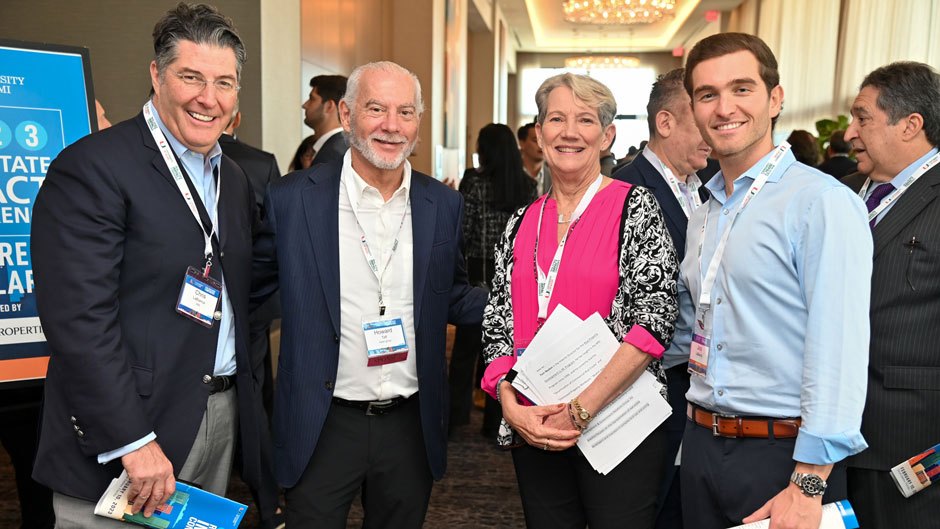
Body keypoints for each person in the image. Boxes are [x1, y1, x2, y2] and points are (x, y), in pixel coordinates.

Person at [30, 3, 261, 526]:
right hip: (128, 437)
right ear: (157, 76)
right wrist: (132, 441)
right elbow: (78, 323)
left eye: (224, 82)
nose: (209, 98)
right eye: (191, 77)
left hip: (213, 415)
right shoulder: (93, 168)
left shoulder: (235, 178)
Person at [251, 61, 487, 528]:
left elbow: (452, 293)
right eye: (375, 108)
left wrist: (523, 301)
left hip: (409, 421)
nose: (391, 126)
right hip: (322, 420)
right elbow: (250, 292)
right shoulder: (292, 199)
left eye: (405, 112)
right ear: (345, 114)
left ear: (418, 122)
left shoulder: (442, 204)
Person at [664, 32, 872, 529]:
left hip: (783, 458)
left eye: (742, 88)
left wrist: (807, 484)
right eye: (707, 94)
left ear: (775, 99)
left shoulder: (820, 203)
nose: (724, 107)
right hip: (700, 444)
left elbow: (838, 353)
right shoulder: (705, 210)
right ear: (693, 109)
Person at [481, 73, 679, 529]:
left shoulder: (637, 208)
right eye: (557, 119)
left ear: (607, 136)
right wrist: (509, 402)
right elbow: (497, 323)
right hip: (537, 422)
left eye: (585, 120)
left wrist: (582, 408)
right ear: (538, 132)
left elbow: (654, 323)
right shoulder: (519, 222)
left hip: (618, 422)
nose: (569, 132)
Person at [840, 61, 940, 529]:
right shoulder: (843, 193)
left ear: (910, 125)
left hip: (912, 440)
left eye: (862, 118)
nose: (848, 134)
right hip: (837, 433)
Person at [612, 67, 711, 529]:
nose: (713, 128)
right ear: (666, 123)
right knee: (645, 504)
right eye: (702, 116)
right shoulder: (626, 189)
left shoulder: (702, 190)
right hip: (649, 377)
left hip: (693, 377)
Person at [449, 123, 537, 438]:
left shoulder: (474, 183)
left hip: (477, 271)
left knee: (465, 351)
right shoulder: (526, 185)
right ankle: (495, 421)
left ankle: (454, 417)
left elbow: (464, 230)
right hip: (514, 275)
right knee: (500, 352)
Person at [218, 109, 284, 529]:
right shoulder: (260, 162)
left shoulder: (254, 165)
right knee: (254, 395)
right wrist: (242, 299)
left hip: (233, 309)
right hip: (252, 307)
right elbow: (272, 249)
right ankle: (267, 498)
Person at [302, 74, 349, 166]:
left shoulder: (334, 153)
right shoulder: (341, 147)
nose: (304, 105)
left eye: (312, 99)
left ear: (329, 106)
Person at [518, 121, 551, 194]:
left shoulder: (555, 177)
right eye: (535, 140)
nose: (541, 145)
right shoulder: (510, 174)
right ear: (522, 143)